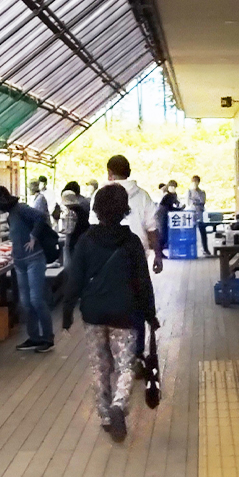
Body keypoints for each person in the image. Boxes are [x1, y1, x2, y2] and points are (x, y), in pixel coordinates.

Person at [63, 184, 159, 442]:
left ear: (96, 209)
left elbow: (74, 278)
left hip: (93, 312)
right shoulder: (131, 242)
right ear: (125, 211)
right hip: (124, 312)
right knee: (126, 365)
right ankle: (119, 404)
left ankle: (106, 417)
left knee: (99, 366)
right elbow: (142, 281)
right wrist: (150, 314)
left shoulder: (85, 241)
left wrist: (66, 310)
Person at [94, 155, 163, 370]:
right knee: (137, 305)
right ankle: (136, 355)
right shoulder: (142, 196)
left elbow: (93, 229)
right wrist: (158, 255)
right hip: (136, 259)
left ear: (109, 173)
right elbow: (152, 229)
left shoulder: (100, 195)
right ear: (129, 172)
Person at [0, 186, 55, 353]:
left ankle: (47, 338)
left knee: (36, 300)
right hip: (20, 262)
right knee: (26, 302)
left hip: (34, 259)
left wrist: (33, 237)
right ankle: (34, 337)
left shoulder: (21, 209)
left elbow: (40, 217)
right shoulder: (11, 215)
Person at [61, 187, 90, 265]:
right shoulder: (82, 210)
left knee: (70, 262)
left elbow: (69, 229)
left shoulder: (71, 212)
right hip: (83, 238)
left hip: (73, 240)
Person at [187, 175, 210, 256]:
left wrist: (196, 200)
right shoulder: (189, 191)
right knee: (190, 233)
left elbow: (202, 201)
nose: (195, 183)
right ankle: (190, 250)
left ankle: (205, 249)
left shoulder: (202, 192)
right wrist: (196, 202)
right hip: (191, 214)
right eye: (193, 182)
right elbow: (189, 202)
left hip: (200, 214)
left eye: (196, 181)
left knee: (202, 231)